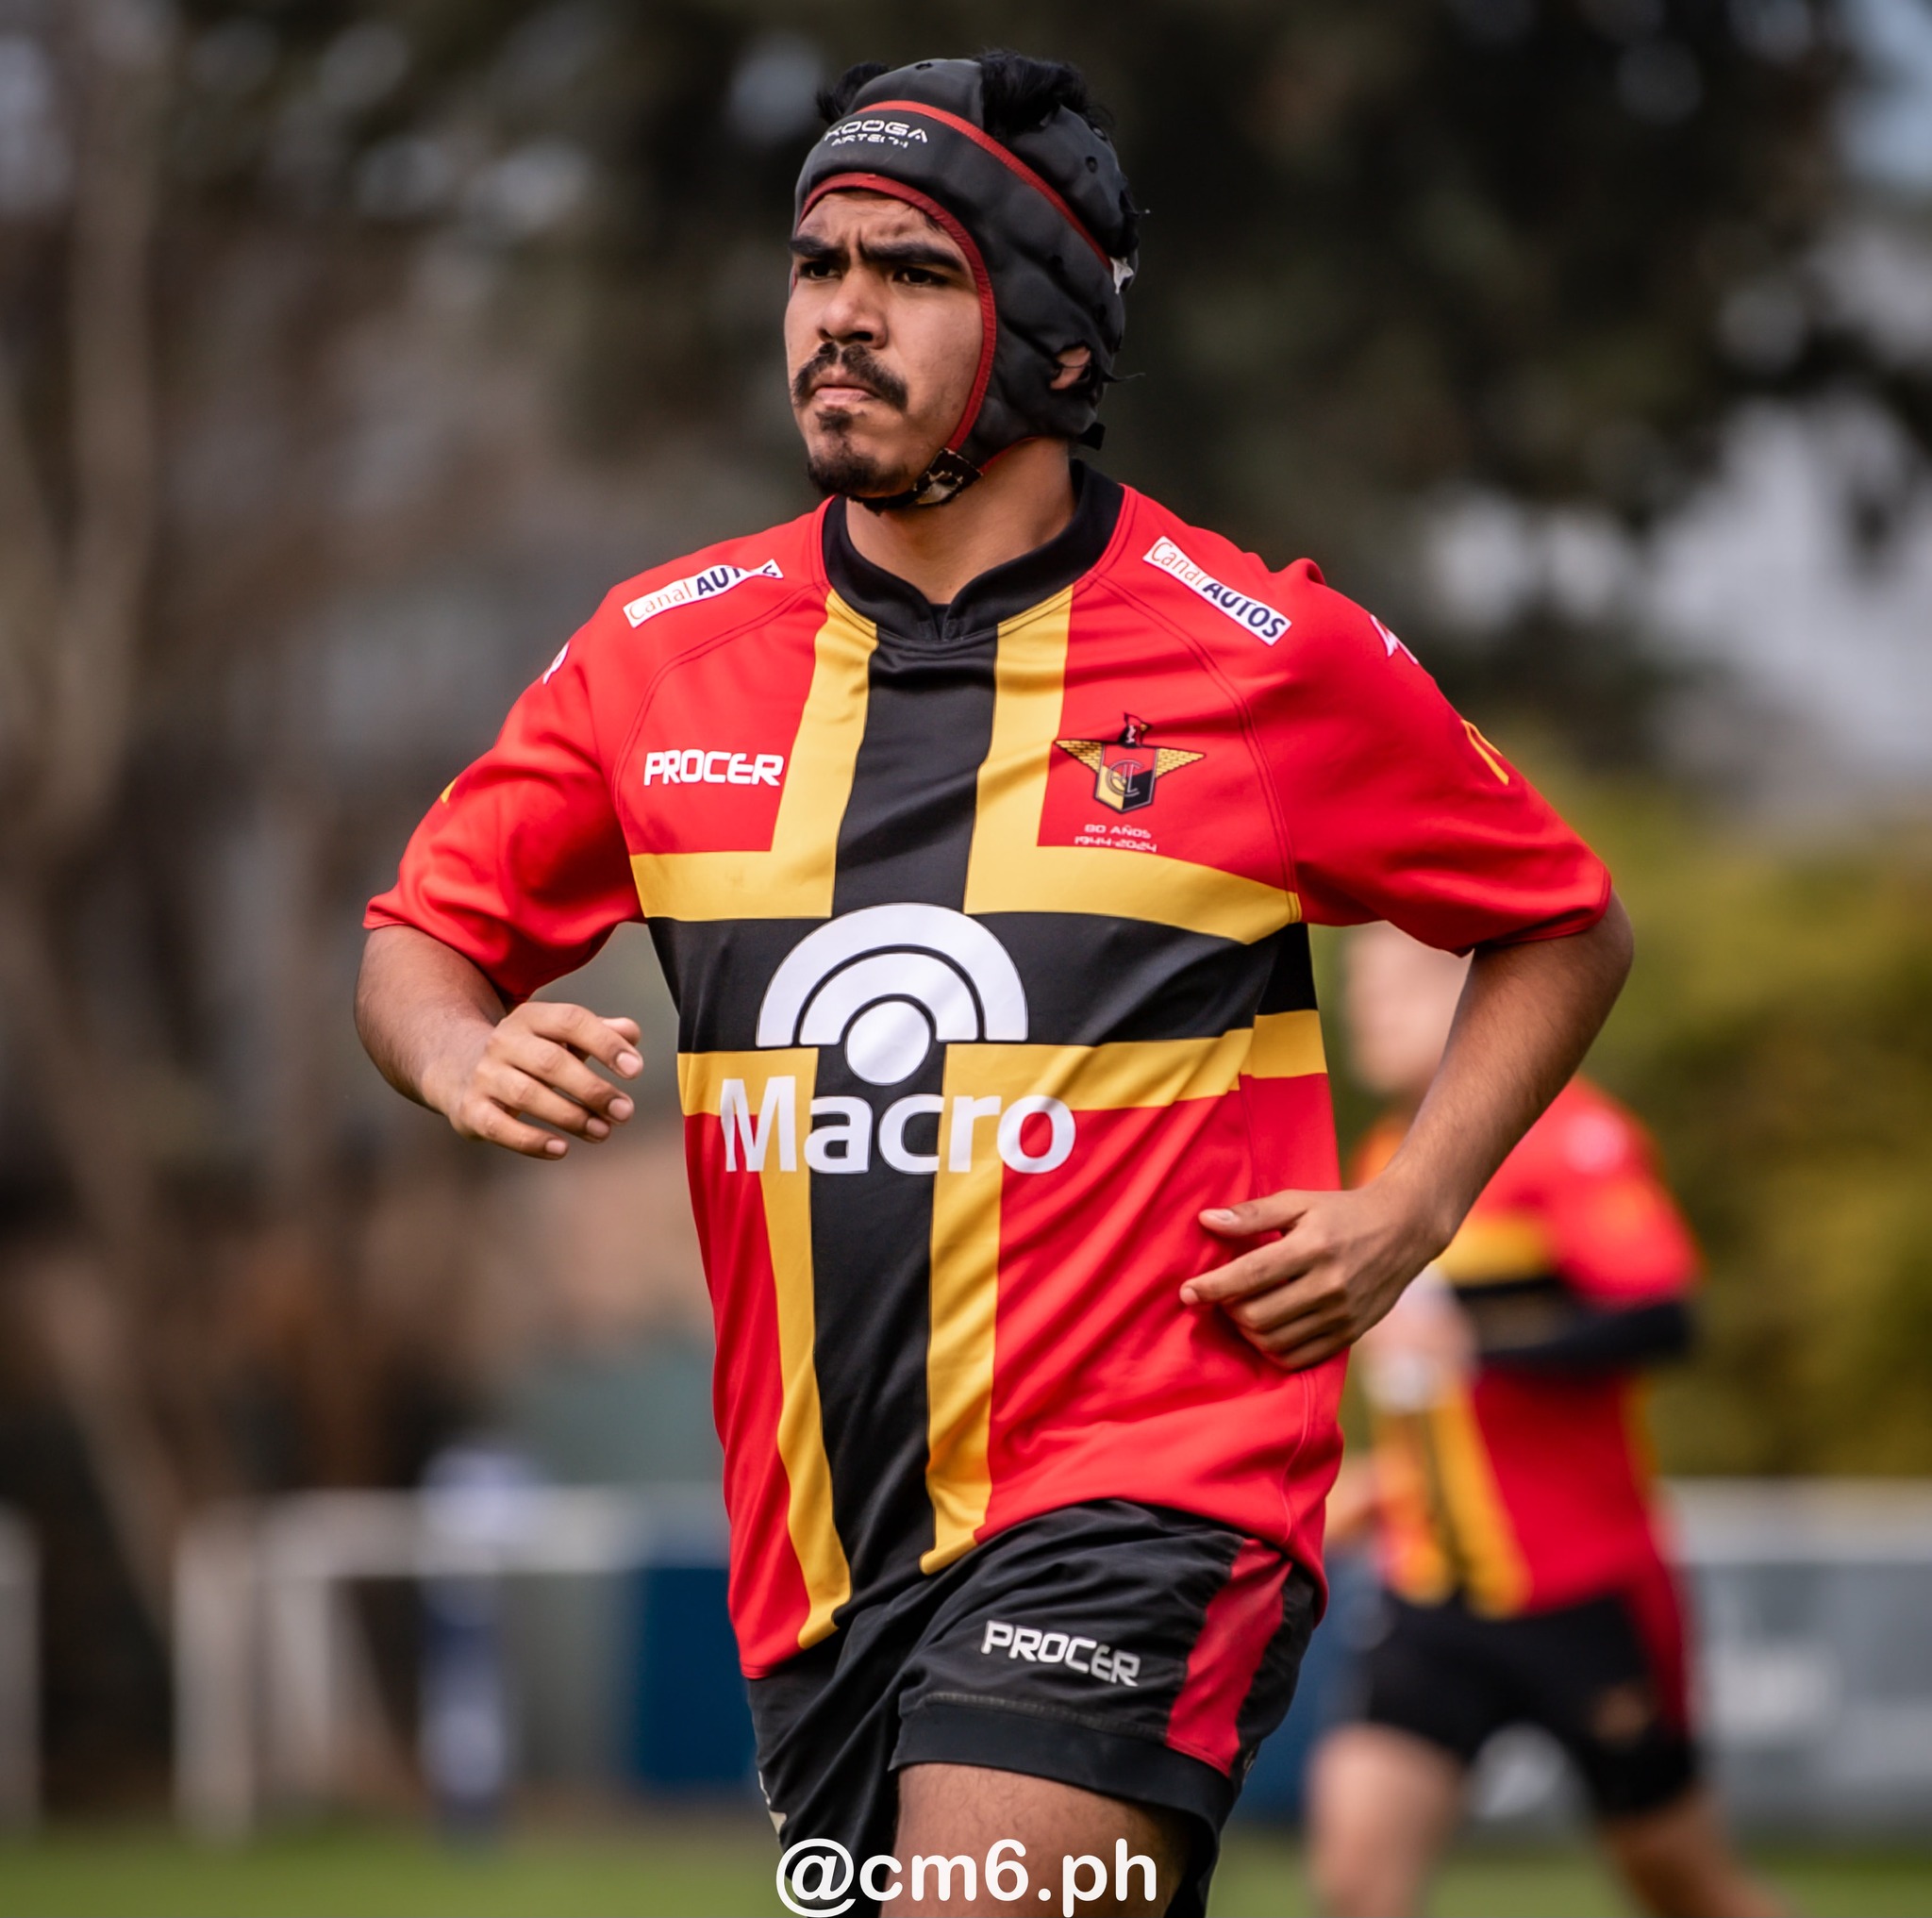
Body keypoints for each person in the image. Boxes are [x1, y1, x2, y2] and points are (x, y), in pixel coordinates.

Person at [356, 52, 1632, 1918]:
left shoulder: (1261, 653)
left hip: (1156, 1481)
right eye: (815, 263)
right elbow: (418, 936)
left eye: (911, 268)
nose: (838, 315)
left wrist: (1412, 1203)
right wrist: (459, 1053)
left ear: (1044, 326)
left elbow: (1563, 915)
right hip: (822, 1554)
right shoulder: (655, 655)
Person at [1307, 924, 1781, 1918]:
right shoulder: (1386, 1154)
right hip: (1431, 1592)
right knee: (1355, 1878)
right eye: (1359, 989)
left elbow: (1661, 1314)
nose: (1363, 1012)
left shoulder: (1570, 1133)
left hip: (1581, 1591)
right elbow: (1423, 1393)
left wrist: (1480, 1343)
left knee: (1685, 1889)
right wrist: (1380, 1487)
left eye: (1391, 989)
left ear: (1468, 998)